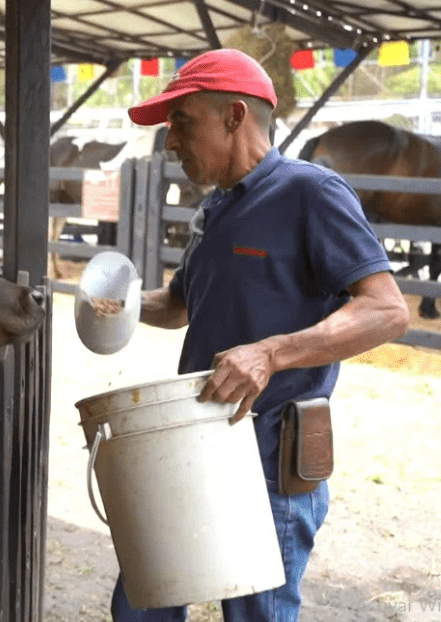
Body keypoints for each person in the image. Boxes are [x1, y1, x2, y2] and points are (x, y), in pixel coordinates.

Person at [115, 48, 410, 622]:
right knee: (142, 601)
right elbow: (179, 307)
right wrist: (117, 305)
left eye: (181, 121)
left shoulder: (311, 193)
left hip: (272, 462)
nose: (170, 141)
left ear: (233, 116)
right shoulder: (213, 212)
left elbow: (387, 310)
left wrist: (272, 353)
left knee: (257, 615)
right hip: (190, 447)